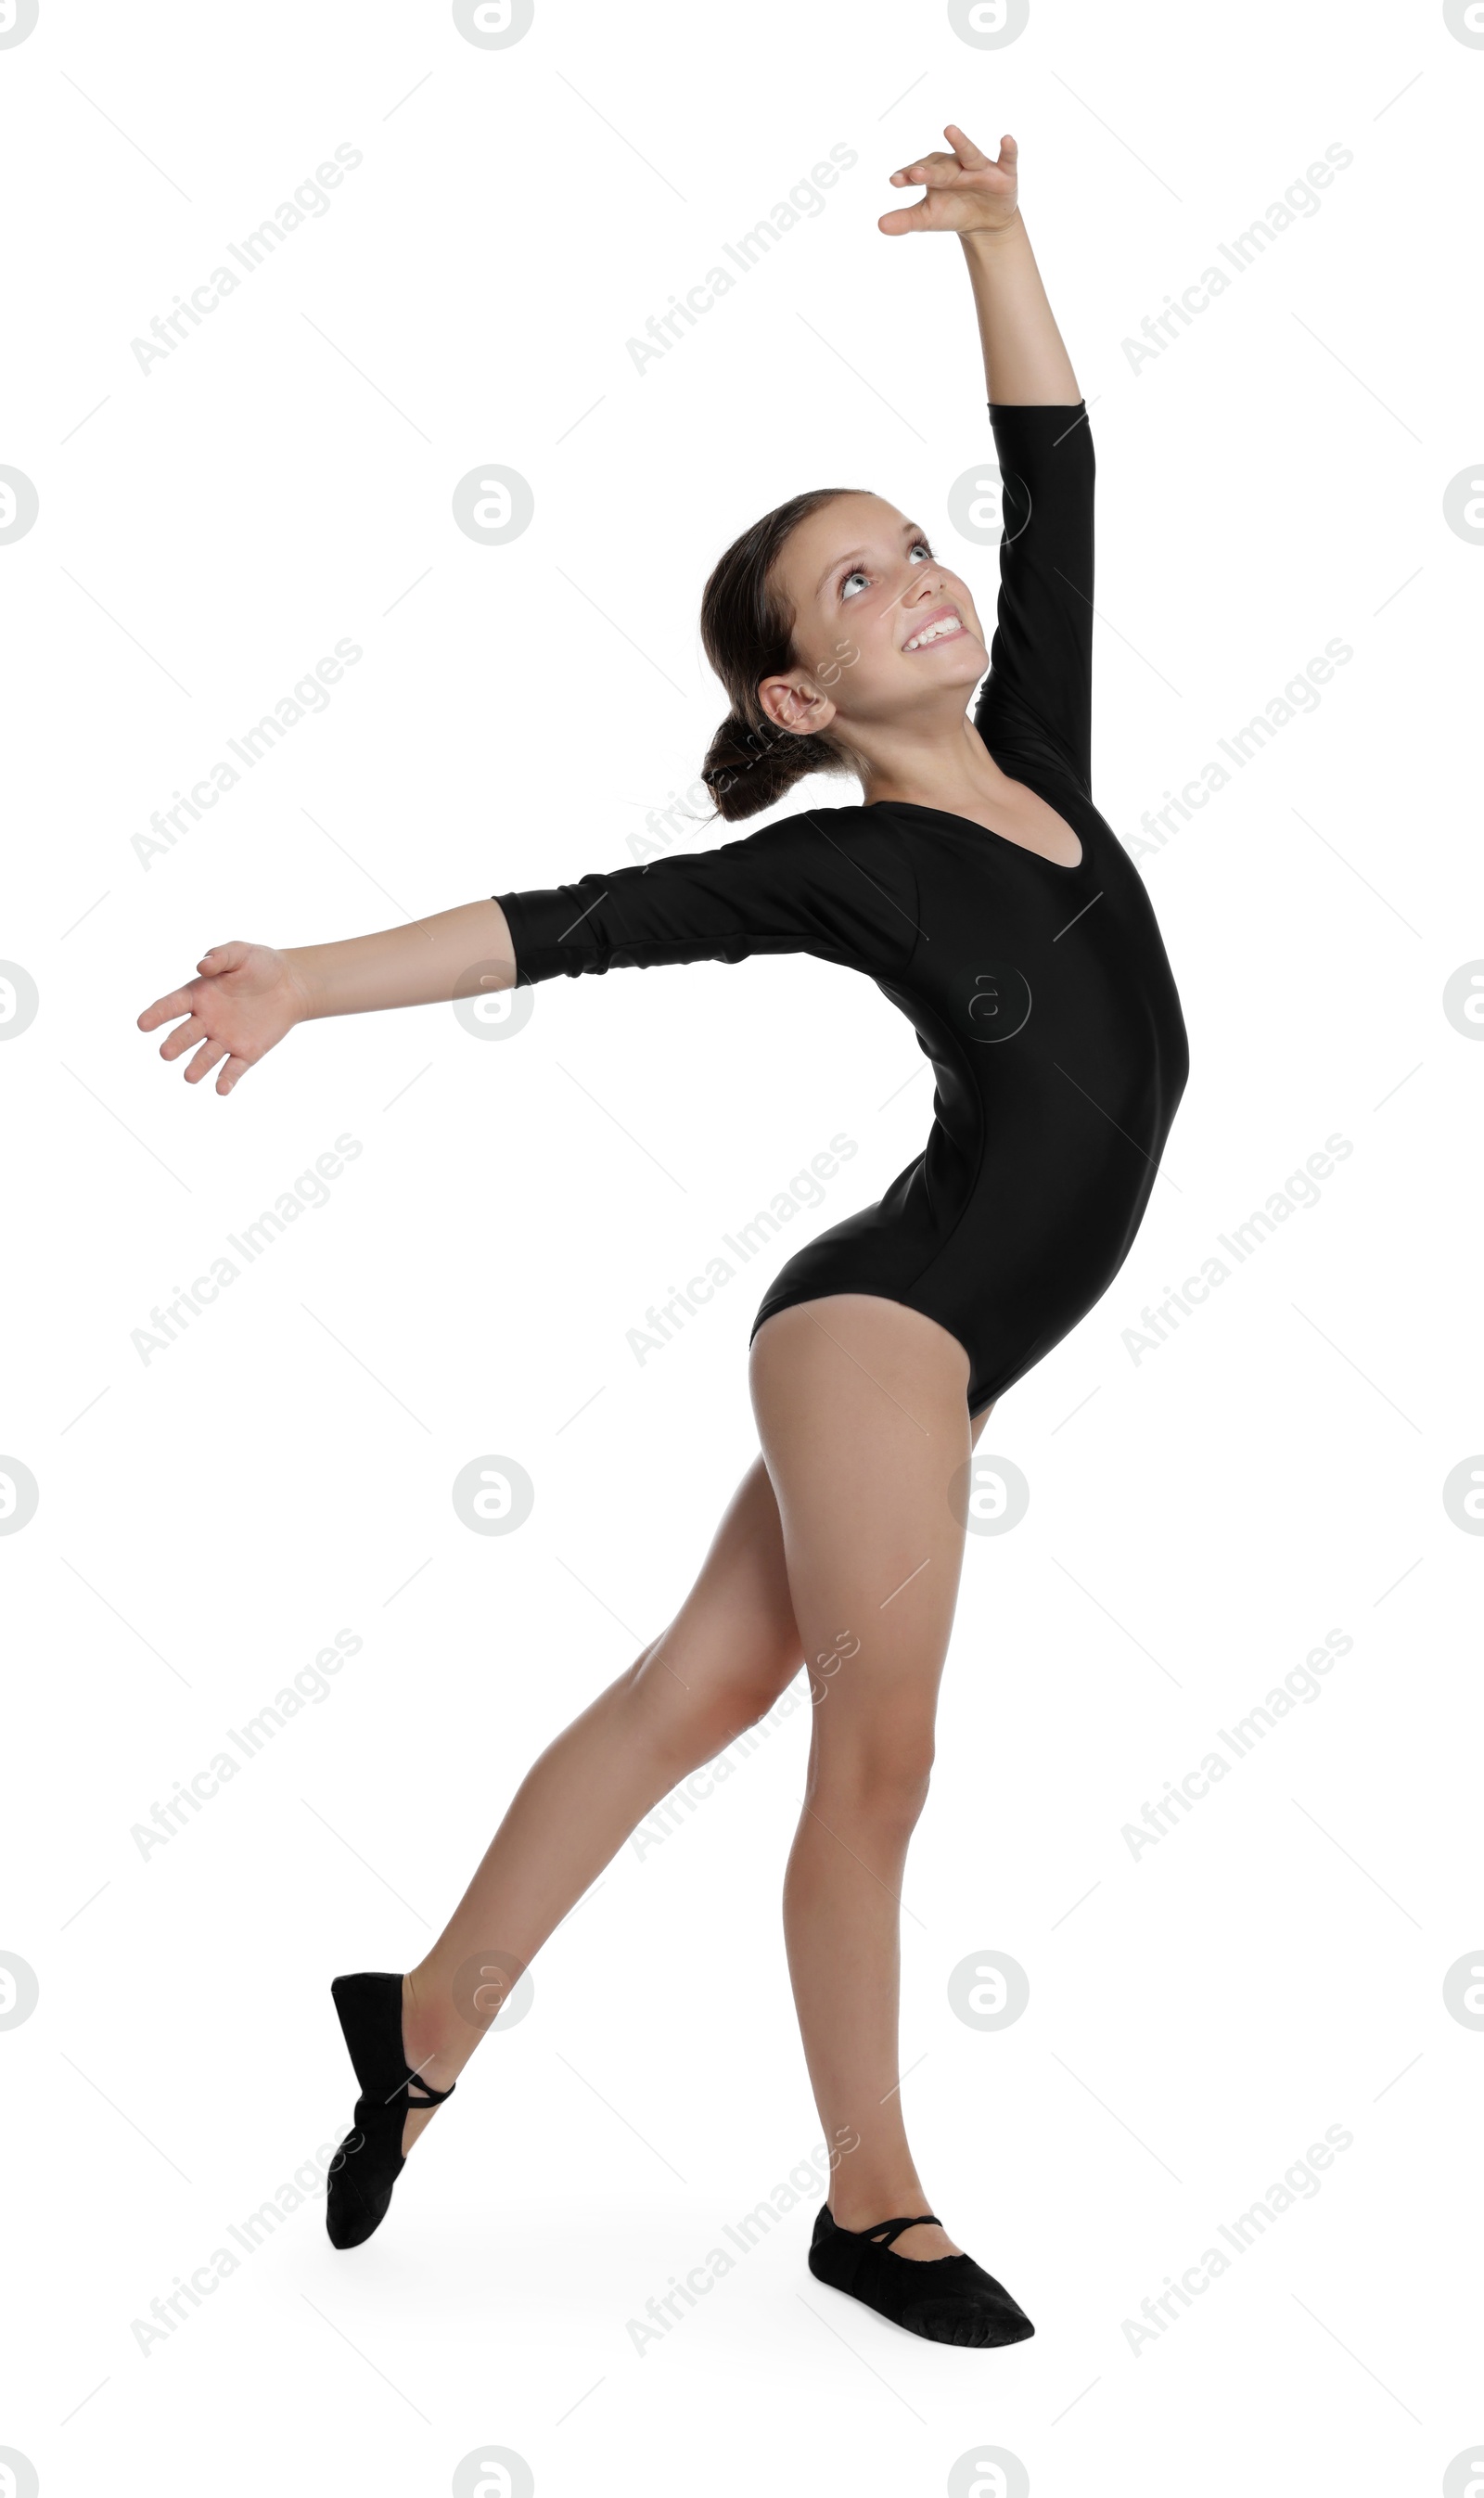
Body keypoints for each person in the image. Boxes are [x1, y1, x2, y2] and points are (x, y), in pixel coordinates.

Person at [136, 125, 1188, 2349]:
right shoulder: (858, 861)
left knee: (698, 1689)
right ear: (800, 708)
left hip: (936, 1329)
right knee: (876, 1755)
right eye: (848, 588)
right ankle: (867, 2205)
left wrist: (998, 242)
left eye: (906, 546)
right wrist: (304, 979)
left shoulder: (1043, 756)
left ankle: (413, 2025)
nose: (912, 576)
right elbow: (569, 922)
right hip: (883, 1330)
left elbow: (1057, 472)